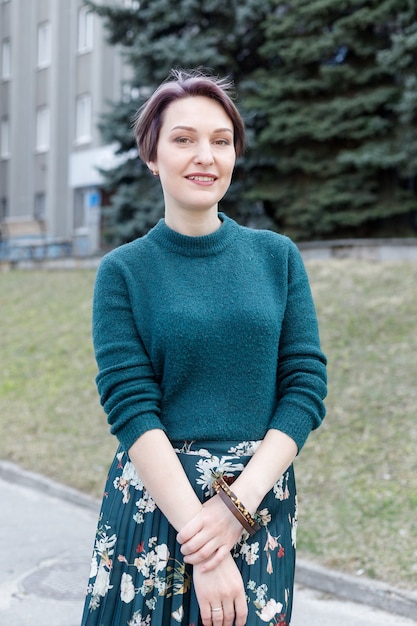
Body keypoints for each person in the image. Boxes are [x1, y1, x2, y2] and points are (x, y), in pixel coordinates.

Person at [81, 69, 327, 626]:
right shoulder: (123, 271)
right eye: (183, 139)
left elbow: (305, 387)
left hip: (258, 506)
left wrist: (237, 510)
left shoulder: (277, 257)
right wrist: (204, 540)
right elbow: (129, 405)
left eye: (221, 141)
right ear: (152, 155)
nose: (205, 156)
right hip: (157, 509)